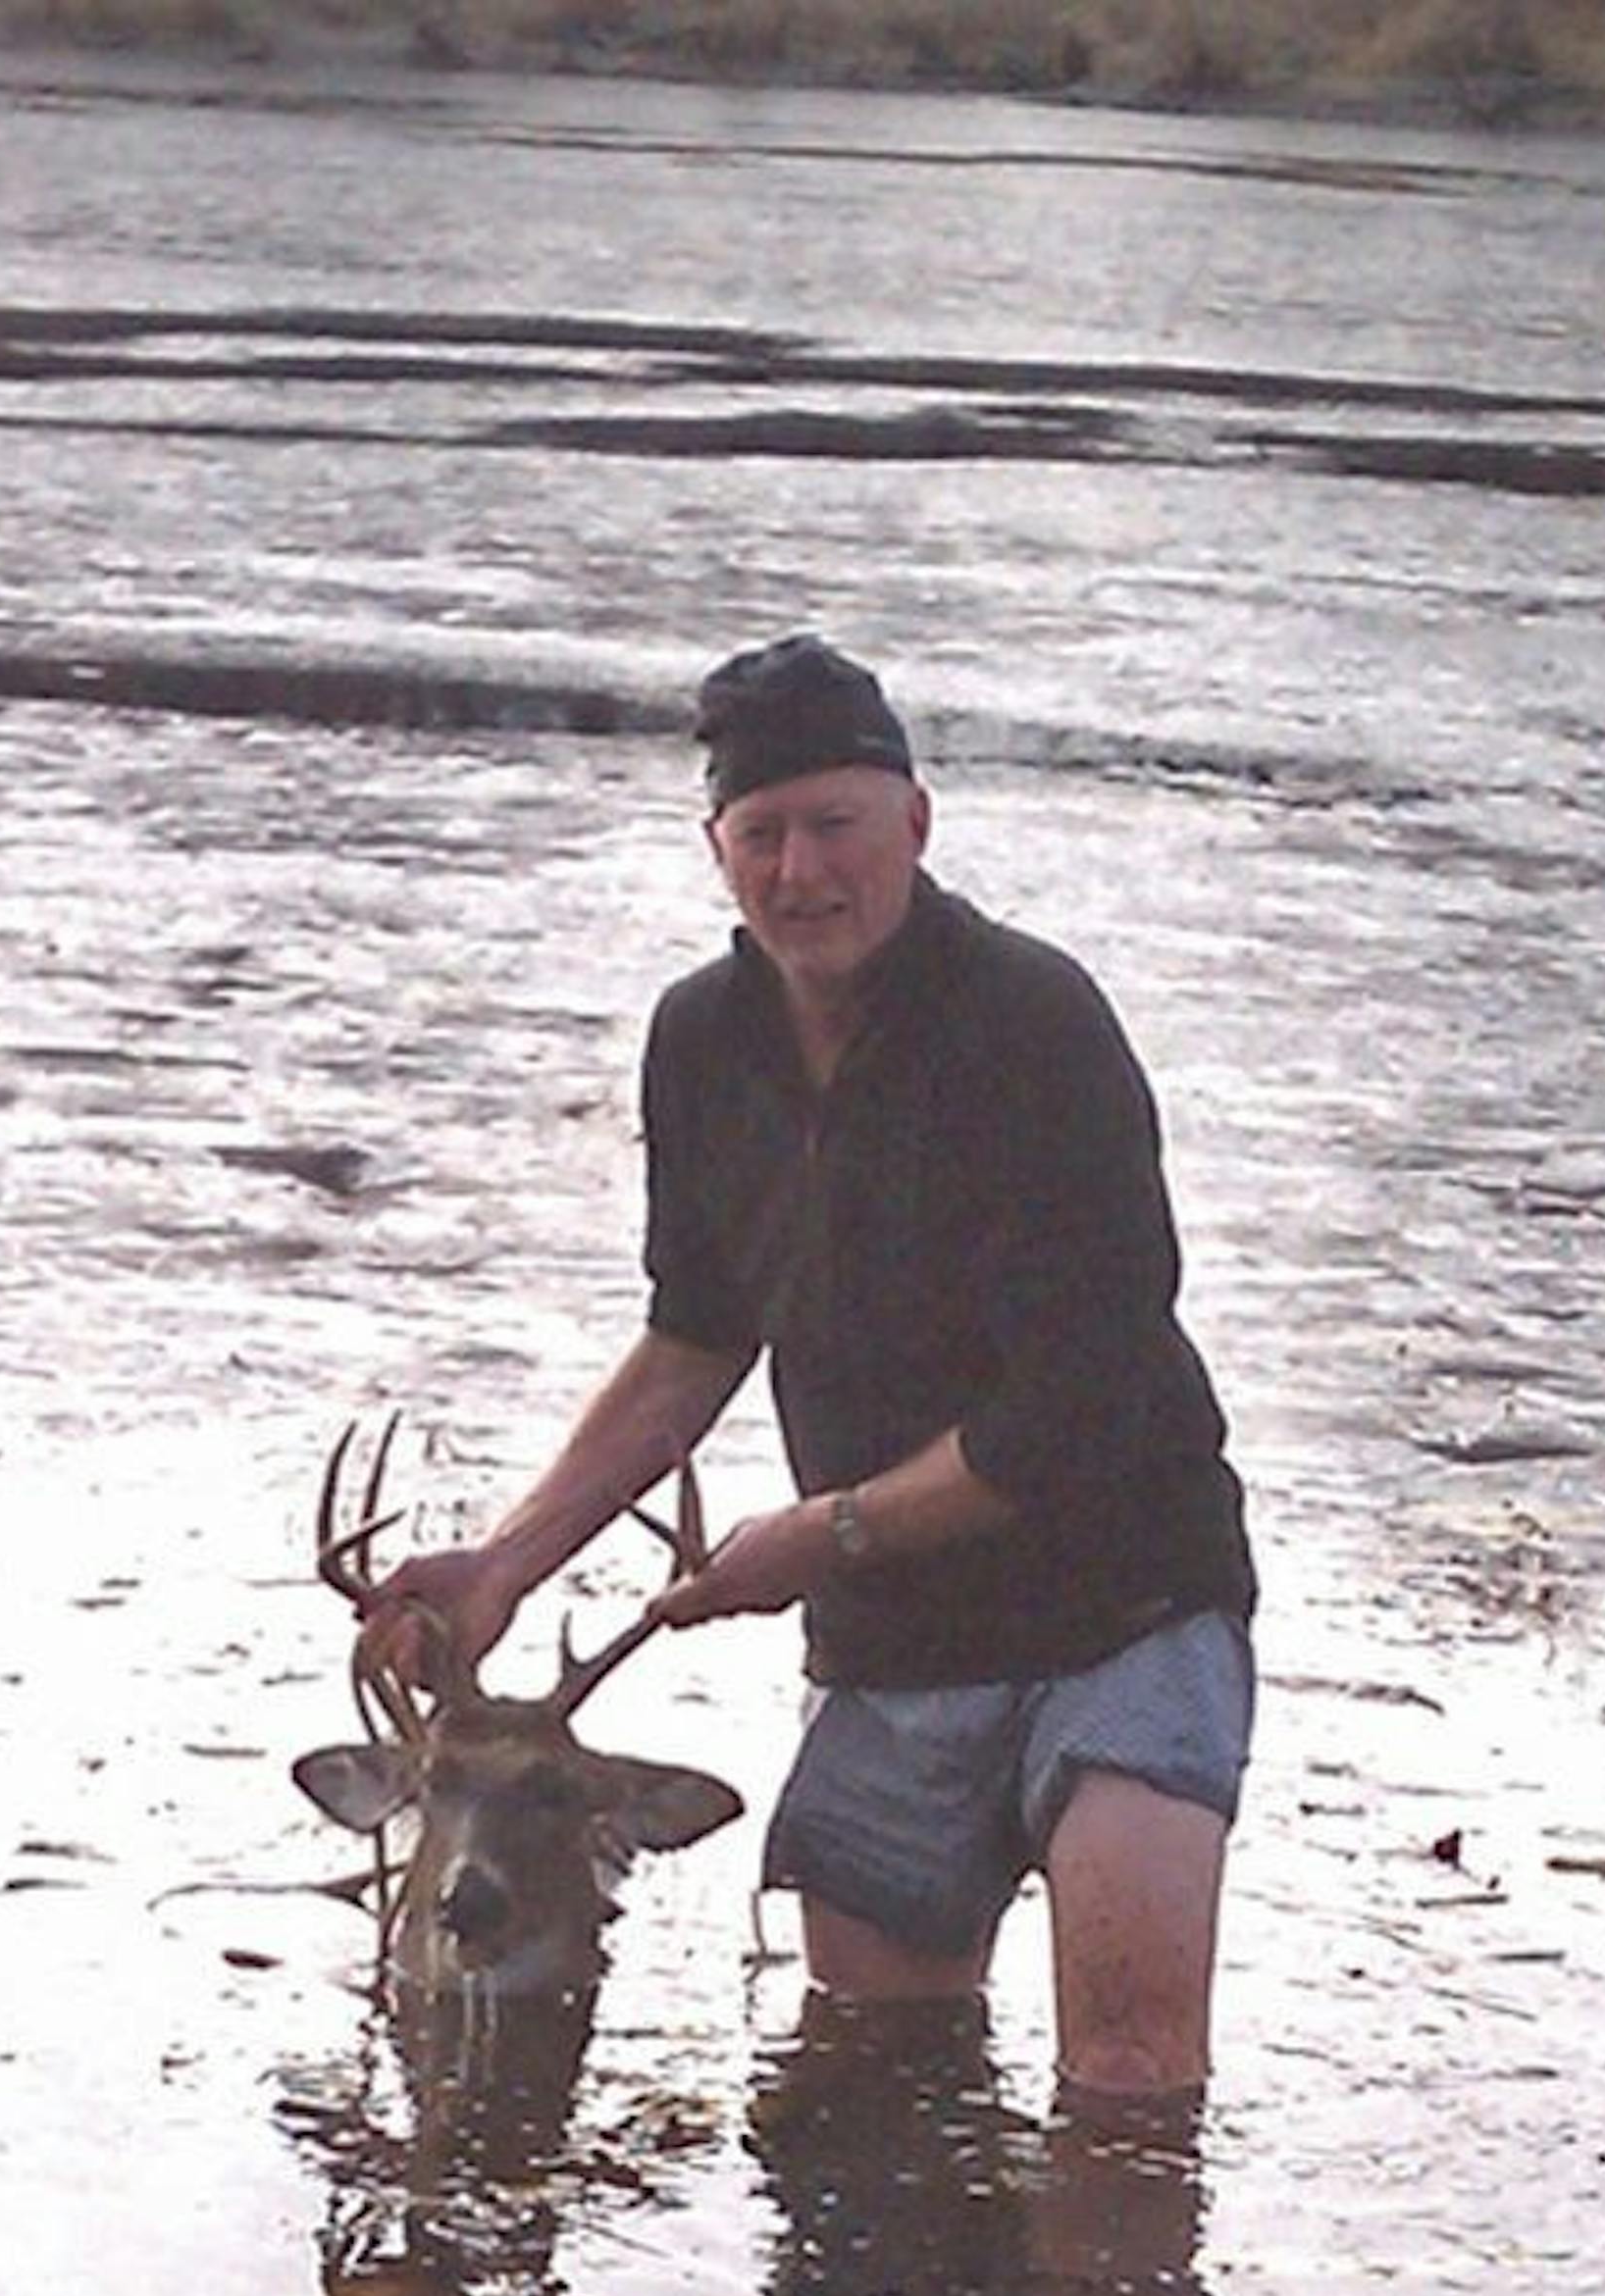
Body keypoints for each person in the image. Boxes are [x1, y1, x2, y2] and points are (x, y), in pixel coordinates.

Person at [363, 635, 1256, 2097]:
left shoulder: (1038, 1025)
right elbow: (695, 1337)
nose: (802, 872)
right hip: (897, 1645)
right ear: (717, 850)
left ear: (912, 822)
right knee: (873, 2080)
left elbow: (1077, 1413)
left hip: (1130, 1608)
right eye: (762, 835)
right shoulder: (701, 1041)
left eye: (835, 826)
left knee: (1132, 2076)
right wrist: (508, 1563)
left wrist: (820, 1534)